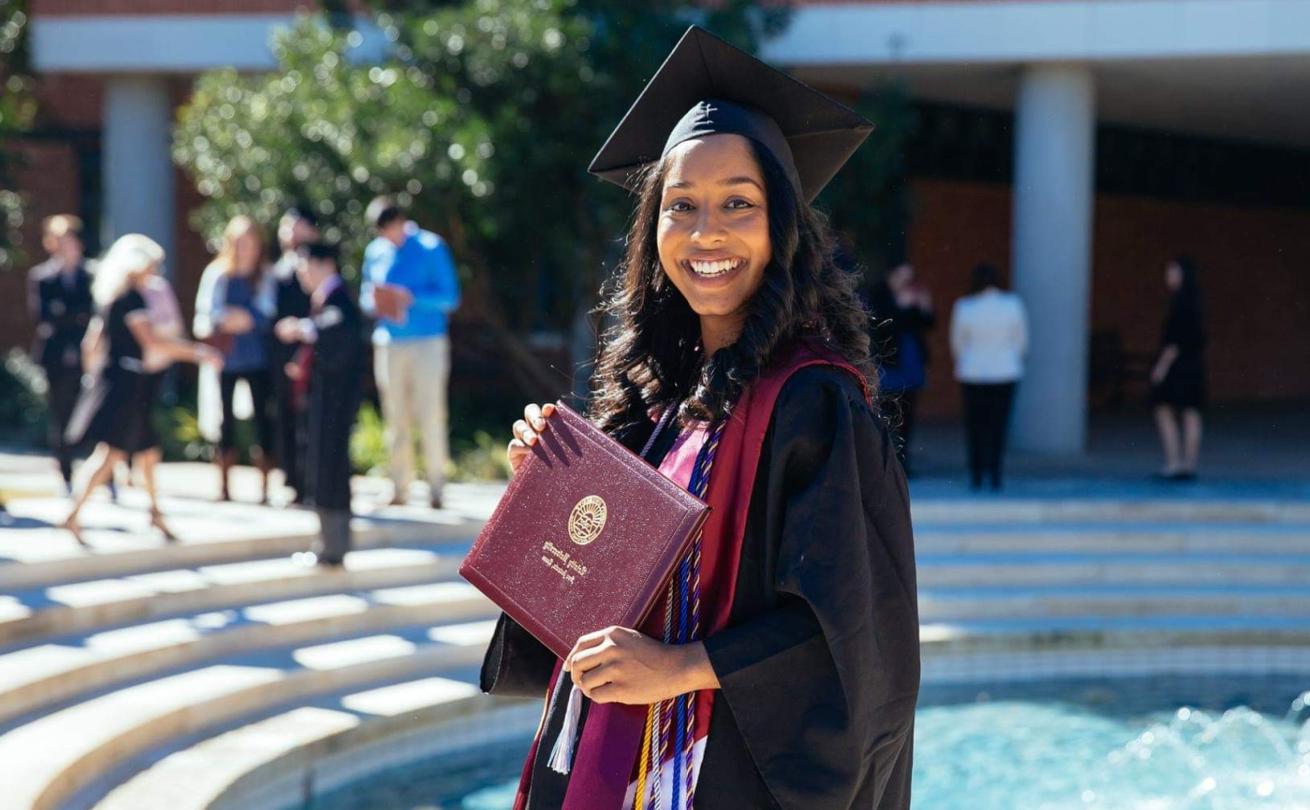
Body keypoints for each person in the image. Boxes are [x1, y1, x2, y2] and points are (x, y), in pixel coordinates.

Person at [479, 27, 919, 810]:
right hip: (610, 750)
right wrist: (549, 498)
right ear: (653, 230)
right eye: (681, 205)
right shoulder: (654, 397)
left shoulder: (814, 401)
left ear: (782, 227)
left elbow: (855, 628)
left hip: (722, 773)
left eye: (737, 205)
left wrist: (682, 668)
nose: (707, 233)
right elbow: (608, 579)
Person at [60, 235, 221, 545]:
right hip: (125, 384)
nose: (154, 271)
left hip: (130, 383)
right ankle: (74, 513)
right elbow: (152, 342)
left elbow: (93, 344)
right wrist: (199, 353)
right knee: (112, 454)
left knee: (147, 450)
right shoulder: (130, 299)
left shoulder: (118, 297)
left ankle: (154, 512)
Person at [360, 196, 459, 510]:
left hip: (428, 342)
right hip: (390, 342)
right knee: (395, 415)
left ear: (400, 221)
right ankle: (399, 486)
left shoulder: (431, 246)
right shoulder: (375, 252)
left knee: (431, 413)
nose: (385, 237)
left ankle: (436, 488)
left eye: (388, 229)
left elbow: (450, 297)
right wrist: (377, 301)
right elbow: (365, 295)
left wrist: (411, 298)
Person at [276, 241, 364, 568]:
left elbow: (338, 328)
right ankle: (329, 542)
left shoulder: (339, 299)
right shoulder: (324, 299)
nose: (301, 273)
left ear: (325, 264)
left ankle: (332, 546)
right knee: (325, 466)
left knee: (330, 468)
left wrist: (302, 328)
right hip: (325, 400)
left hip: (335, 403)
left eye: (305, 265)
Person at [194, 216, 278, 503]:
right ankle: (224, 485)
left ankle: (265, 484)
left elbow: (265, 313)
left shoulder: (264, 274)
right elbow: (208, 312)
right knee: (225, 420)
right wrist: (232, 318)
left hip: (256, 357)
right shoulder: (218, 273)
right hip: (228, 357)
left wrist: (244, 317)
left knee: (262, 420)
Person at [26, 215, 96, 493]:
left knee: (92, 412)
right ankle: (66, 474)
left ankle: (101, 475)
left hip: (87, 352)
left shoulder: (92, 275)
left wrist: (66, 314)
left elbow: (93, 314)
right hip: (55, 355)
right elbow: (43, 317)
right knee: (61, 414)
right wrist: (75, 316)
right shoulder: (42, 276)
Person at [950, 262, 1028, 492]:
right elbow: (1021, 341)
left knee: (975, 426)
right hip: (1005, 371)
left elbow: (958, 342)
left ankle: (976, 474)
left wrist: (965, 361)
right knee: (999, 425)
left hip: (972, 372)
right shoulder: (1012, 305)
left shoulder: (965, 306)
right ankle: (995, 473)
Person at [271, 206, 320, 504]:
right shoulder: (278, 267)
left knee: (312, 421)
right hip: (285, 355)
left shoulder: (319, 262)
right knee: (287, 419)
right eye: (287, 226)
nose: (291, 233)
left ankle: (312, 482)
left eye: (298, 226)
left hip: (314, 353)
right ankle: (294, 481)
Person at [868, 261, 934, 472]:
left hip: (910, 360)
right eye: (900, 277)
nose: (904, 282)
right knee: (886, 413)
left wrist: (924, 306)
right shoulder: (880, 297)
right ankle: (887, 460)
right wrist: (900, 306)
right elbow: (880, 326)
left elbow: (928, 323)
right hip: (889, 362)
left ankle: (904, 460)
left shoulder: (912, 297)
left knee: (908, 413)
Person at [1150, 256, 1207, 481]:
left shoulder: (1179, 304)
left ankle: (1174, 462)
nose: (1169, 276)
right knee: (1191, 413)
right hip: (1194, 365)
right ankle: (1189, 464)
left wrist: (1161, 368)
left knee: (1163, 409)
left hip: (1178, 366)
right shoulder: (1196, 302)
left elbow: (1174, 342)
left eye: (1173, 271)